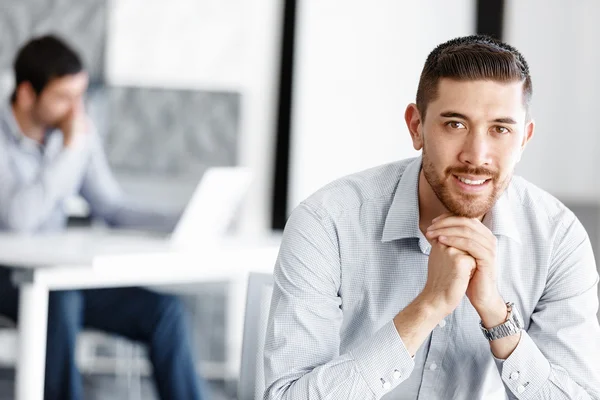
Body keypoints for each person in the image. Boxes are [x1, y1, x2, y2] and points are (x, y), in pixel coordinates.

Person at [264, 35, 600, 399]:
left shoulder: (559, 239)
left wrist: (497, 316)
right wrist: (429, 305)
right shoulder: (328, 222)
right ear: (416, 127)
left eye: (500, 129)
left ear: (523, 140)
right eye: (455, 124)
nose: (477, 155)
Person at [0, 35, 205, 400]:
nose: (75, 111)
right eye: (64, 98)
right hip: (7, 275)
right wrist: (71, 149)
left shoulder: (72, 133)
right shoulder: (64, 138)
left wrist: (183, 219)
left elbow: (111, 207)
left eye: (80, 97)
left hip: (59, 275)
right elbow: (19, 219)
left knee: (165, 311)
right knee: (59, 300)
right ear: (27, 94)